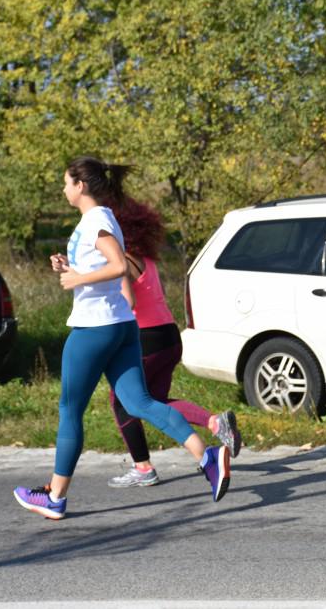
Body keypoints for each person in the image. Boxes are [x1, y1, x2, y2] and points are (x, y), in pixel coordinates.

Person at [13, 157, 230, 520]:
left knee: (70, 411)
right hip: (123, 326)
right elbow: (109, 267)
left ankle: (55, 497)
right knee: (138, 402)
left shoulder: (96, 220)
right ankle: (206, 457)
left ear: (80, 185)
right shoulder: (104, 218)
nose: (63, 189)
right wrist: (71, 269)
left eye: (66, 183)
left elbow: (118, 266)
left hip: (93, 329)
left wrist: (78, 280)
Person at [104, 196, 242, 488]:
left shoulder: (123, 262)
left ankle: (143, 468)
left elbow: (126, 301)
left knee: (121, 402)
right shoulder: (148, 259)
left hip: (144, 339)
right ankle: (215, 422)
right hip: (168, 335)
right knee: (154, 402)